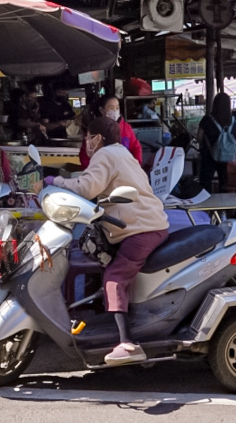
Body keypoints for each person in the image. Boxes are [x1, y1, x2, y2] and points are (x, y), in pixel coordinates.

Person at [38, 116, 168, 365]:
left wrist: (55, 181)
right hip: (147, 225)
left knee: (114, 278)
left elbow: (87, 187)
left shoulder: (105, 154)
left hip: (139, 230)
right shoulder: (121, 153)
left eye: (88, 136)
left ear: (97, 138)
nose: (86, 141)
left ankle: (128, 343)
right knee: (105, 266)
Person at [80, 95, 142, 168]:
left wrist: (136, 166)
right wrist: (92, 170)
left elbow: (136, 147)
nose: (115, 111)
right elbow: (85, 153)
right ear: (102, 110)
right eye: (111, 108)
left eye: (117, 108)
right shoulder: (95, 128)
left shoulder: (126, 128)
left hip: (124, 170)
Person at [197, 93, 236, 193]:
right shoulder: (232, 120)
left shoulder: (207, 119)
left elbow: (199, 137)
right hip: (227, 156)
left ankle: (206, 205)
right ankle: (224, 206)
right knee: (224, 182)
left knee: (205, 182)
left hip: (209, 155)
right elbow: (234, 136)